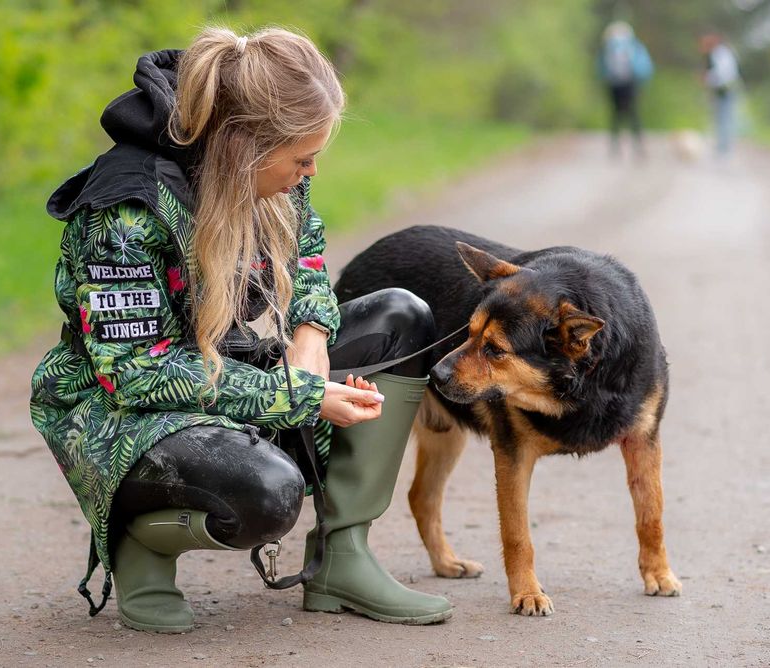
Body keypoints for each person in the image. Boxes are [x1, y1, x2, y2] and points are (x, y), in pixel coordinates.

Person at [30, 26, 453, 633]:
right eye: (301, 159)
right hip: (122, 409)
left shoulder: (270, 176)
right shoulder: (125, 210)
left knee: (400, 317)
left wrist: (310, 333)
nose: (308, 173)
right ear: (245, 146)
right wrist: (303, 395)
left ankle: (344, 557)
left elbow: (306, 252)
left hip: (219, 364)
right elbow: (134, 373)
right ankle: (139, 543)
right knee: (267, 493)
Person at [598, 21, 654, 158]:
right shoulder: (634, 46)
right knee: (634, 114)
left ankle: (615, 147)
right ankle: (638, 146)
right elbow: (644, 66)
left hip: (614, 84)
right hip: (631, 83)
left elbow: (601, 68)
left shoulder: (609, 46)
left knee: (616, 115)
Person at [700, 33, 742, 157]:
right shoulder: (720, 53)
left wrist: (707, 78)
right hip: (723, 89)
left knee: (724, 118)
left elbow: (723, 74)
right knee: (721, 117)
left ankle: (724, 148)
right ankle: (722, 146)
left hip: (726, 90)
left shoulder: (720, 54)